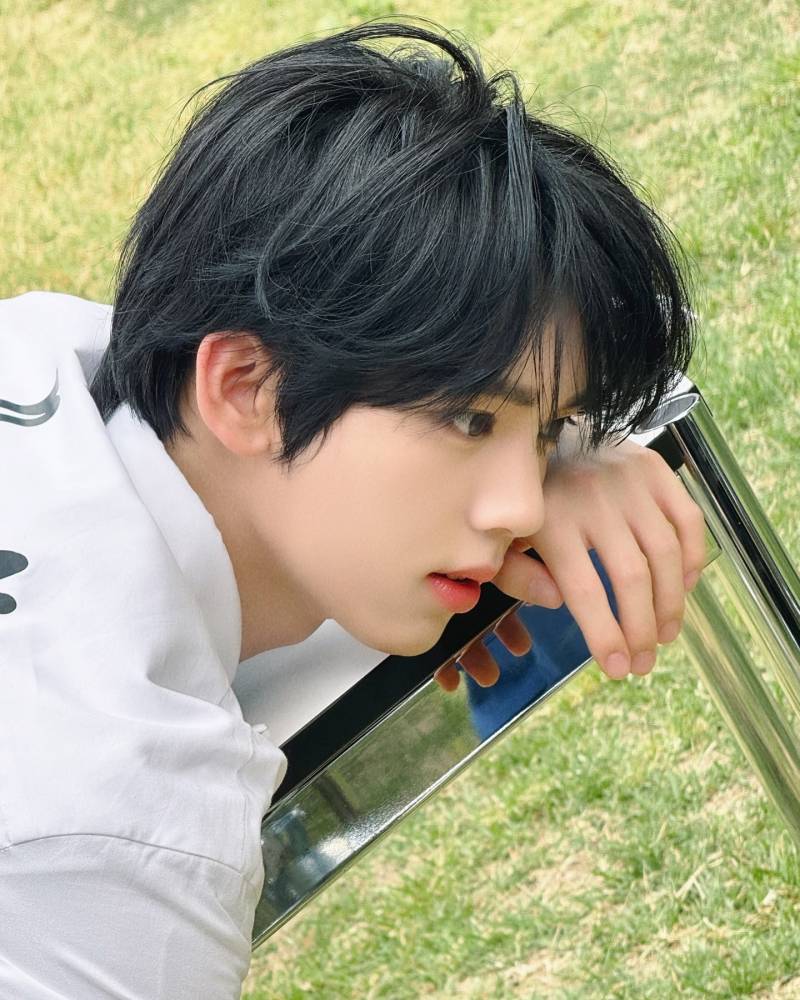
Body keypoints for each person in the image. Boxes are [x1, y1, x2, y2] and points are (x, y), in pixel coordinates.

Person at [0, 20, 706, 999]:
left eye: (543, 433)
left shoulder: (40, 344)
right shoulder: (125, 844)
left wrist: (575, 444)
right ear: (245, 388)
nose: (516, 504)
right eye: (468, 417)